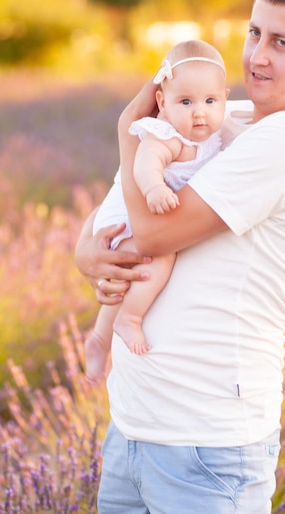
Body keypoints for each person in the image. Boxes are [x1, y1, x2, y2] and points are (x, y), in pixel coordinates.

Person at [75, 0, 285, 513]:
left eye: (282, 43)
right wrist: (87, 249)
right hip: (136, 428)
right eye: (254, 32)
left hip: (206, 449)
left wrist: (130, 135)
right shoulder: (228, 117)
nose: (256, 56)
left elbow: (151, 232)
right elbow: (122, 201)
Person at [85, 39, 229, 383]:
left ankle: (99, 339)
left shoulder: (209, 135)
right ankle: (128, 320)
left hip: (140, 217)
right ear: (162, 103)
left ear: (224, 97)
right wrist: (154, 188)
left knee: (123, 279)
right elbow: (145, 162)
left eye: (210, 101)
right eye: (186, 101)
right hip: (128, 216)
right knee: (159, 256)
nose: (199, 112)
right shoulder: (167, 135)